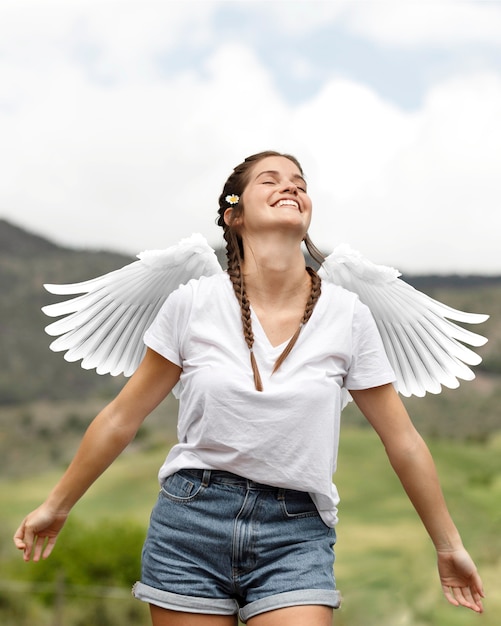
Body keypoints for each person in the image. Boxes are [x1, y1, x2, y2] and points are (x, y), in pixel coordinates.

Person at [14, 151, 485, 625]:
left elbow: (402, 440)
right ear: (233, 213)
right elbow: (122, 417)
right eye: (271, 180)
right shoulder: (192, 302)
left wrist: (449, 546)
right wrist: (56, 505)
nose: (291, 187)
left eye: (300, 183)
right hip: (191, 520)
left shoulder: (349, 314)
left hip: (296, 530)